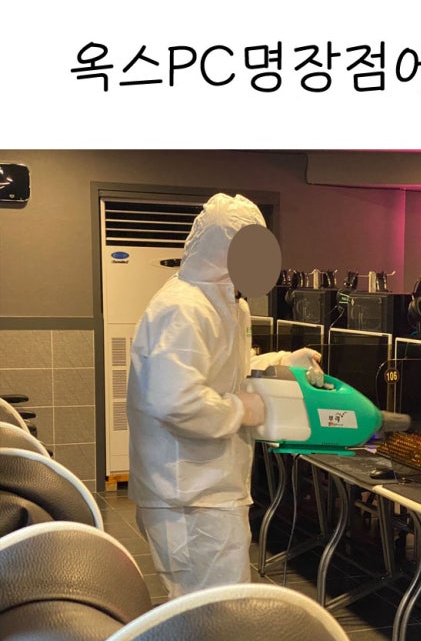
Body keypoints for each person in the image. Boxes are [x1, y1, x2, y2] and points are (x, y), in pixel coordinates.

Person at [127, 192, 322, 599]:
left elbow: (225, 370)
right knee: (212, 613)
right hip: (187, 495)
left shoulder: (229, 304)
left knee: (217, 608)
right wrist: (242, 409)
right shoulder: (183, 308)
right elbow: (175, 401)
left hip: (213, 487)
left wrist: (282, 362)